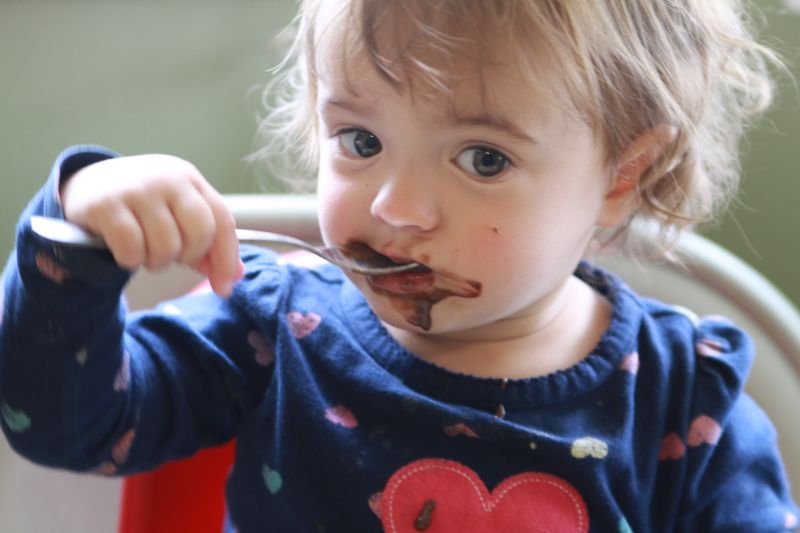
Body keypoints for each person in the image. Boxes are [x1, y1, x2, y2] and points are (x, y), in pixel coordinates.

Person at [1, 0, 798, 531]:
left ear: (621, 177)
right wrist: (77, 227)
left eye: (483, 159)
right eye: (360, 141)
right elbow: (65, 426)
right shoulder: (270, 322)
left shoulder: (686, 403)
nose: (395, 207)